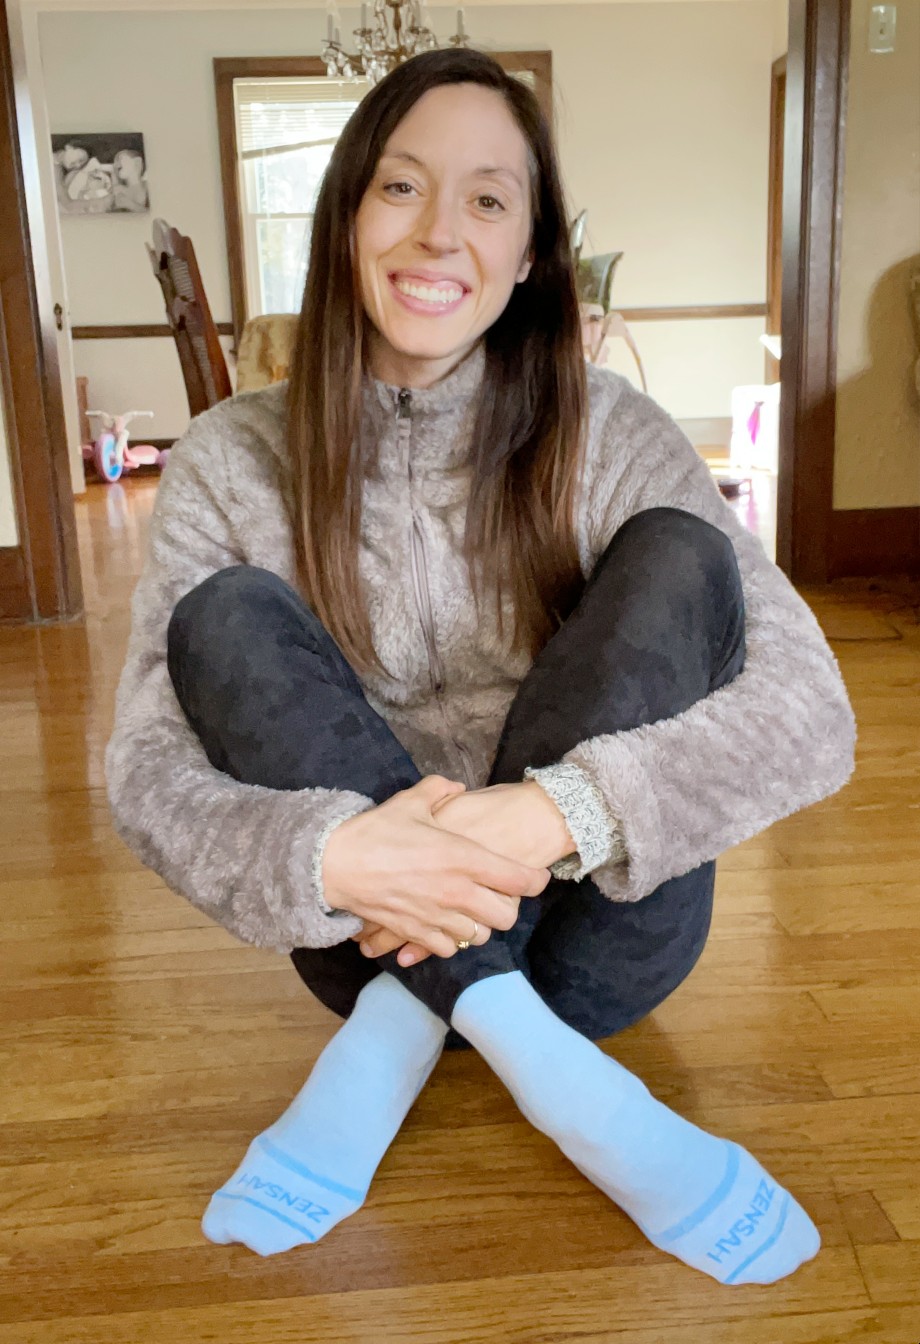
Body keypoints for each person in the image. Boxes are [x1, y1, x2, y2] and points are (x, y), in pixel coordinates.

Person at [106, 49, 855, 1283]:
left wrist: (556, 814)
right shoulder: (230, 458)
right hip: (364, 927)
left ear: (528, 256)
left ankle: (447, 1041)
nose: (438, 234)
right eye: (400, 187)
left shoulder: (614, 431)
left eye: (487, 200)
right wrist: (334, 858)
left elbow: (809, 714)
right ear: (346, 217)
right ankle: (546, 1071)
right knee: (221, 616)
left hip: (601, 939)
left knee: (678, 556)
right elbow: (145, 773)